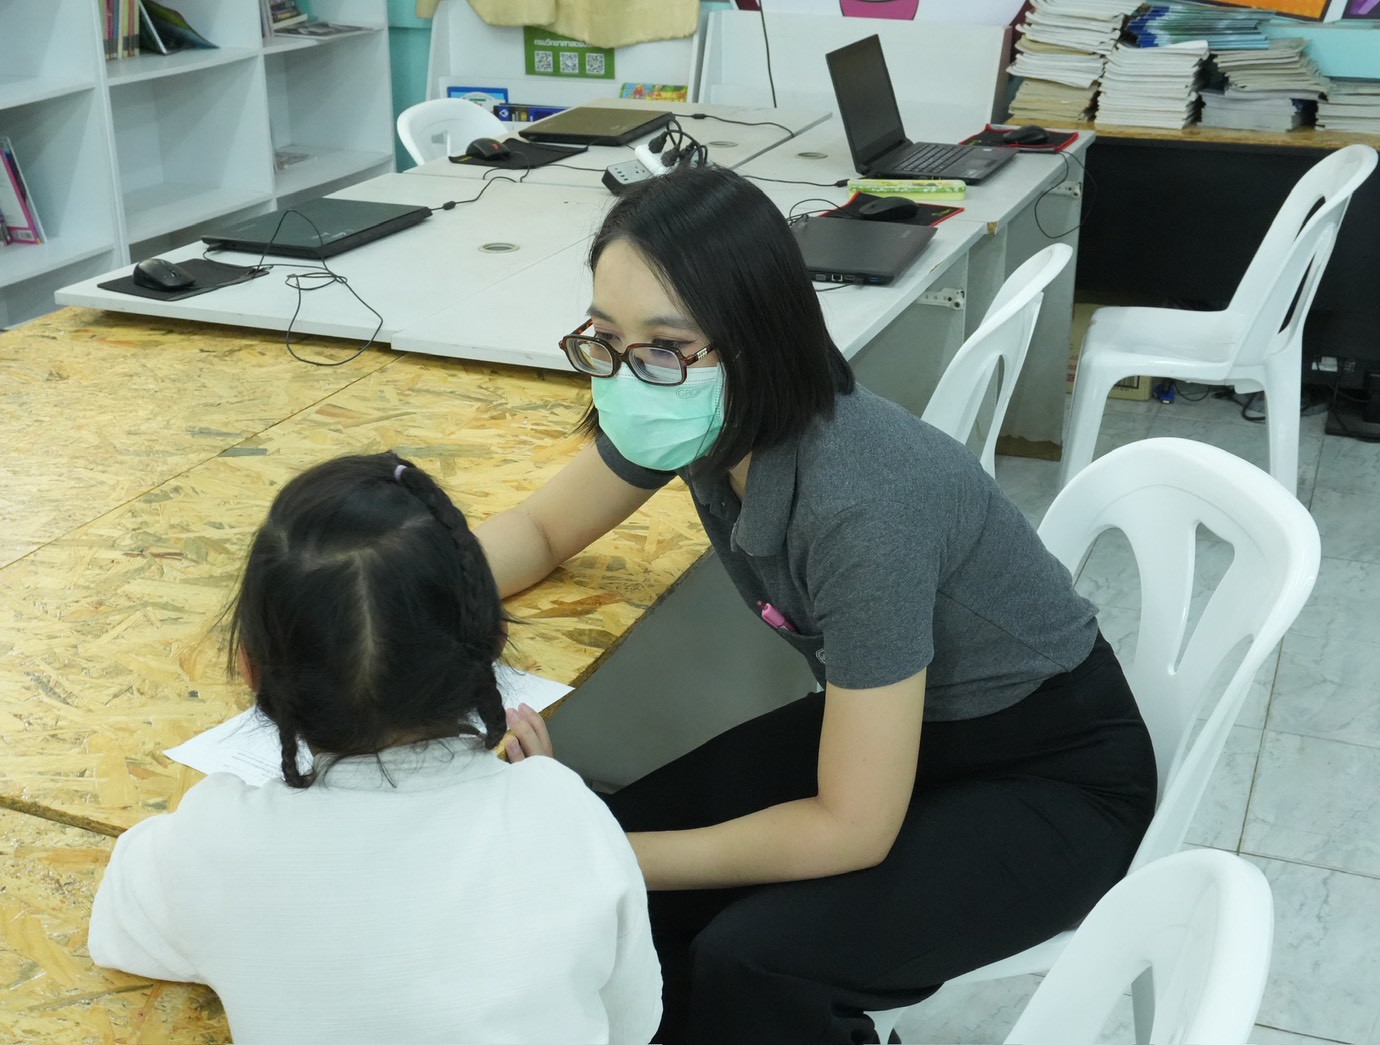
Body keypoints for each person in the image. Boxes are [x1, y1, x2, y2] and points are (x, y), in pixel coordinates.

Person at [478, 166, 1158, 1045]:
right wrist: (383, 600)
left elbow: (851, 829)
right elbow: (538, 529)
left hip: (1048, 774)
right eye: (606, 337)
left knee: (750, 959)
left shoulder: (861, 500)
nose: (629, 372)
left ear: (757, 340)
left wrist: (597, 858)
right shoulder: (688, 404)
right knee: (627, 863)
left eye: (664, 344)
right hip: (904, 724)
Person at [89, 453, 662, 1045]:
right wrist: (548, 795)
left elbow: (118, 925)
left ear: (252, 671)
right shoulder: (564, 813)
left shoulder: (215, 837)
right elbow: (632, 1022)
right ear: (491, 641)